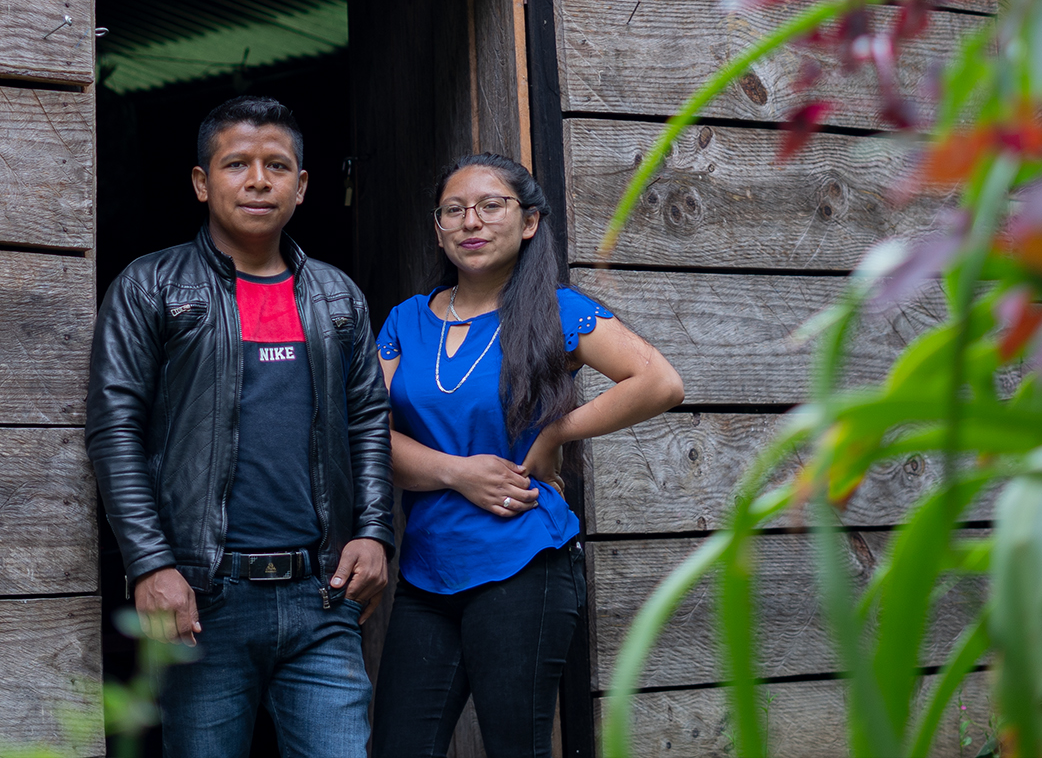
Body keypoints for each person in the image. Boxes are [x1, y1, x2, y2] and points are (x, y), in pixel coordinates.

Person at [86, 95, 394, 758]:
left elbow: (369, 416)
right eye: (237, 164)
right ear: (202, 182)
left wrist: (374, 532)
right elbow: (115, 431)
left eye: (277, 165)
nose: (258, 179)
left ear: (302, 185)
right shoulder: (151, 286)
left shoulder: (338, 296)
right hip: (203, 596)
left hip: (322, 598)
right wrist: (150, 564)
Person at [370, 153, 686, 758]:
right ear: (438, 229)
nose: (471, 221)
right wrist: (459, 474)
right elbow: (364, 433)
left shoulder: (557, 311)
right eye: (454, 210)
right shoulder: (406, 321)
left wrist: (552, 435)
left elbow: (659, 382)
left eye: (491, 206)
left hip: (524, 562)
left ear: (530, 221)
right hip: (426, 571)